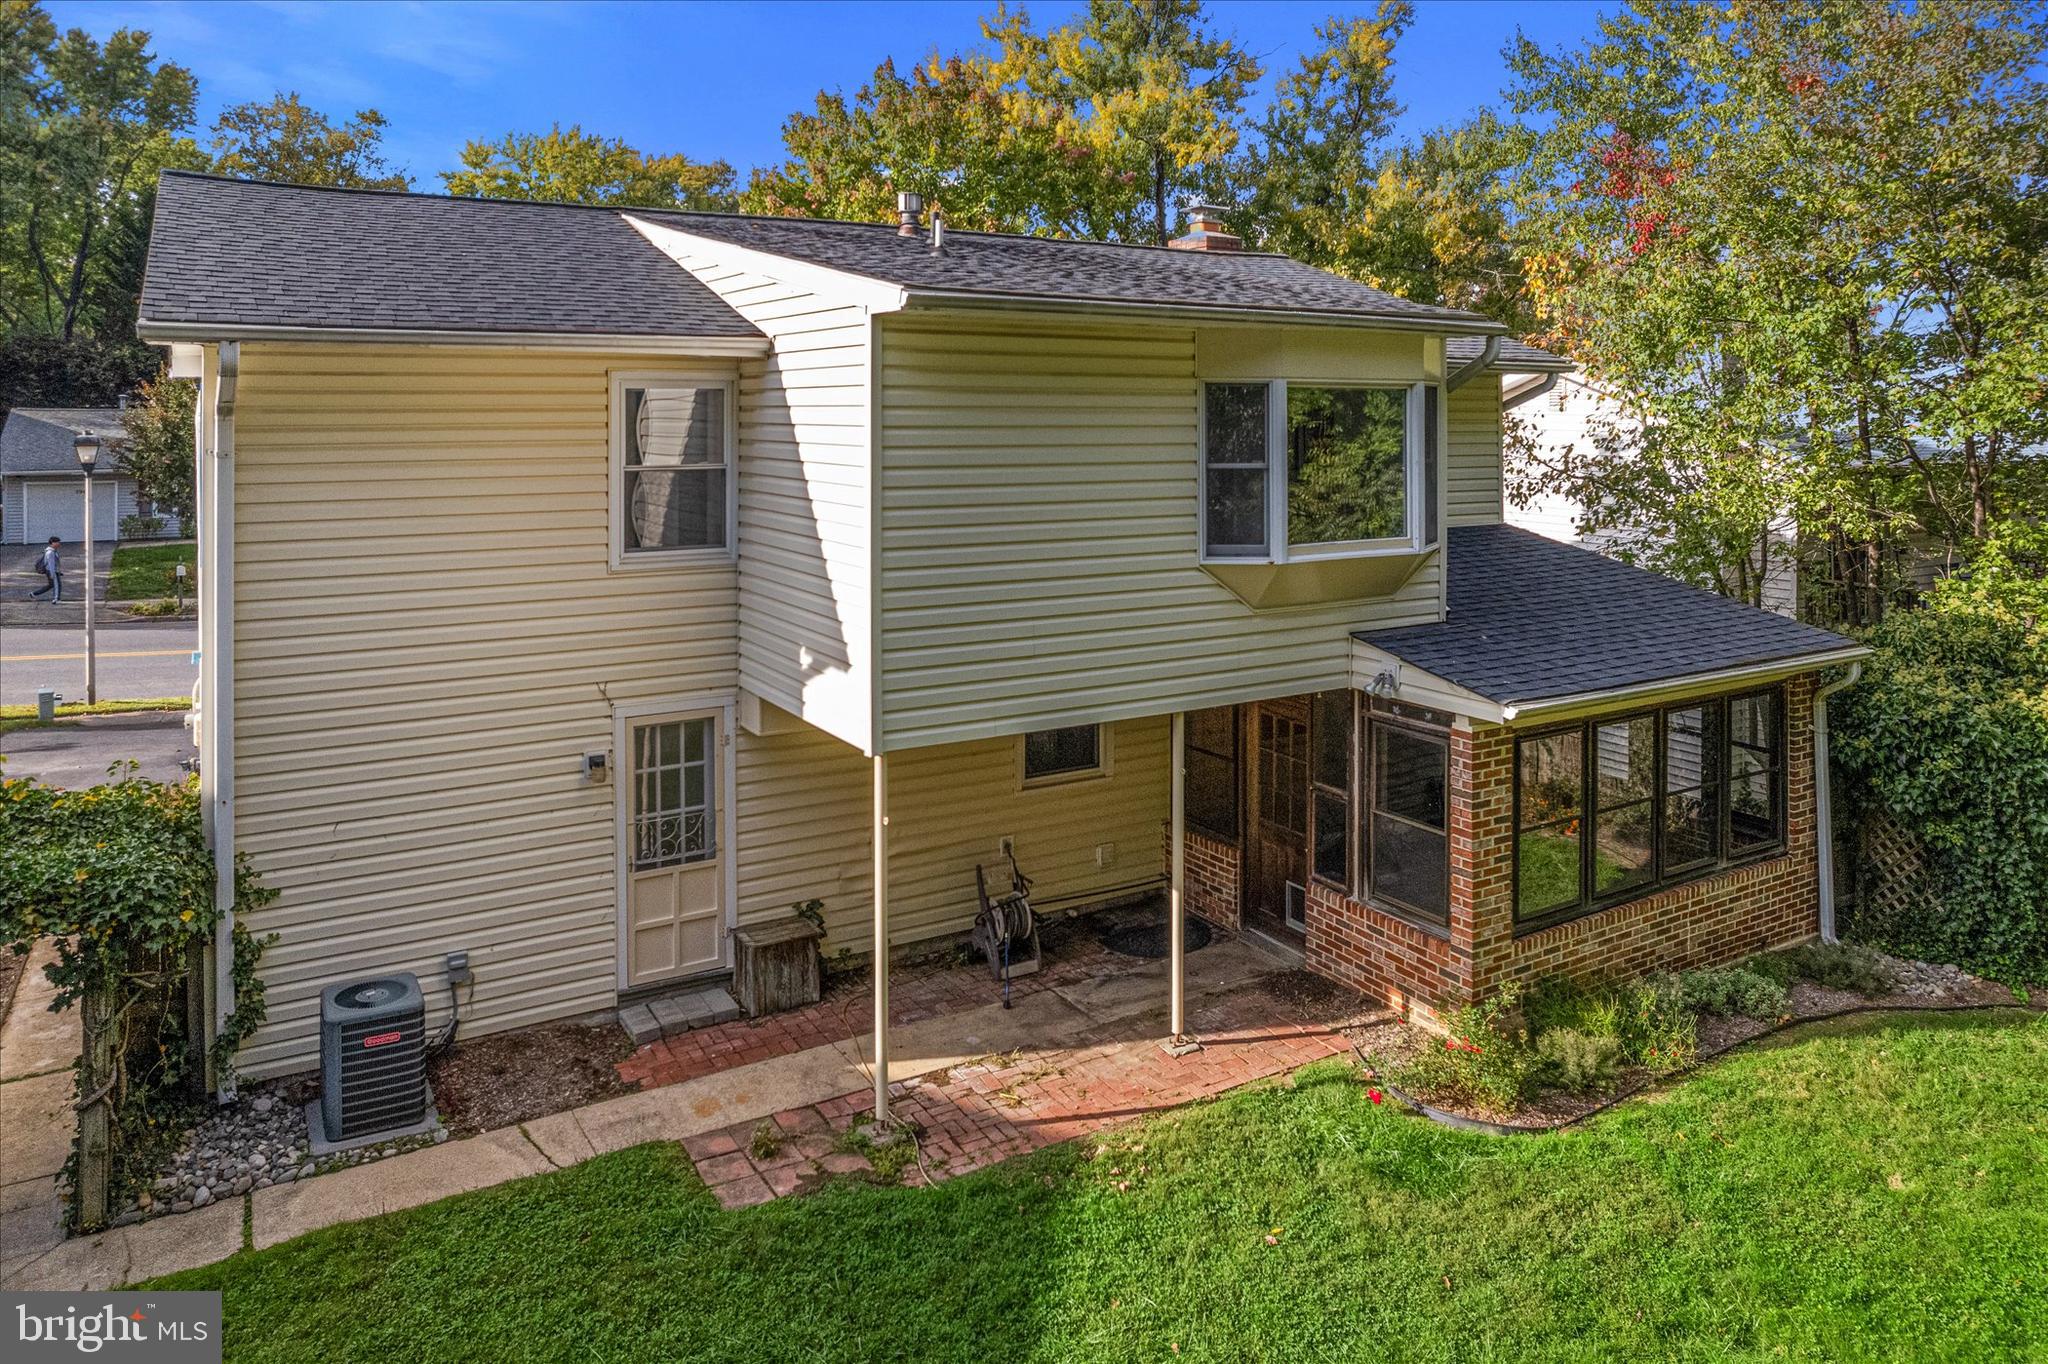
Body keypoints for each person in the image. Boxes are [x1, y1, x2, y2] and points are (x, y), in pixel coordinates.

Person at [28, 535, 61, 603]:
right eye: (57, 542)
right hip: (52, 571)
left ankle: (33, 594)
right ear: (52, 543)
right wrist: (52, 574)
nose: (59, 543)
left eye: (59, 542)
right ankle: (56, 599)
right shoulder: (50, 552)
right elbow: (51, 564)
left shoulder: (52, 551)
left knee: (50, 585)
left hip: (52, 571)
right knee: (57, 585)